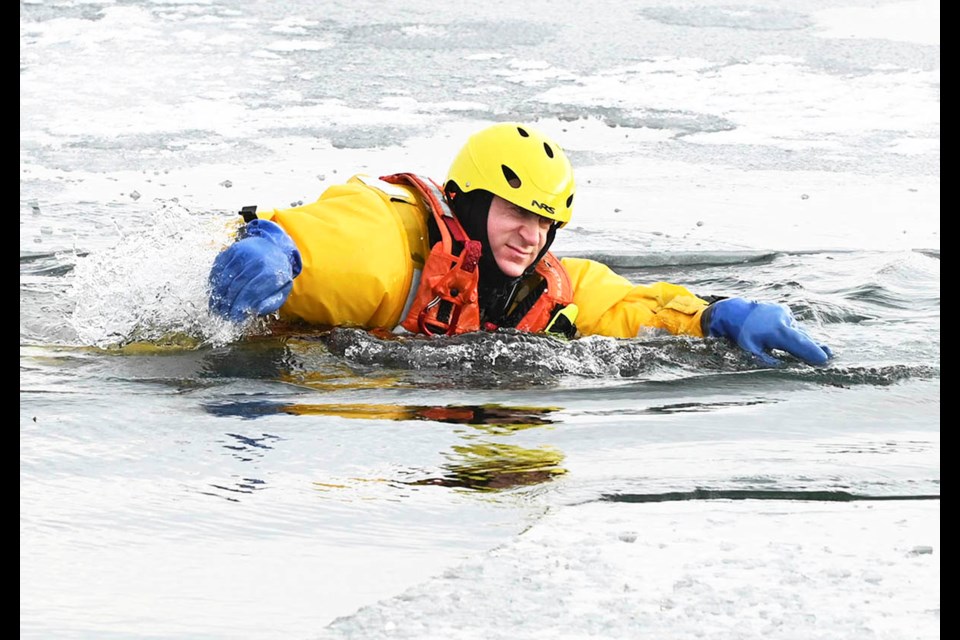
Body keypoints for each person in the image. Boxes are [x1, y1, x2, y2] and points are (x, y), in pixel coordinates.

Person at [209, 122, 832, 365]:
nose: (530, 235)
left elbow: (627, 306)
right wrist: (270, 249)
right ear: (471, 203)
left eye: (545, 222)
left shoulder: (549, 289)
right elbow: (313, 241)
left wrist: (718, 314)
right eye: (515, 212)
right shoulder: (380, 254)